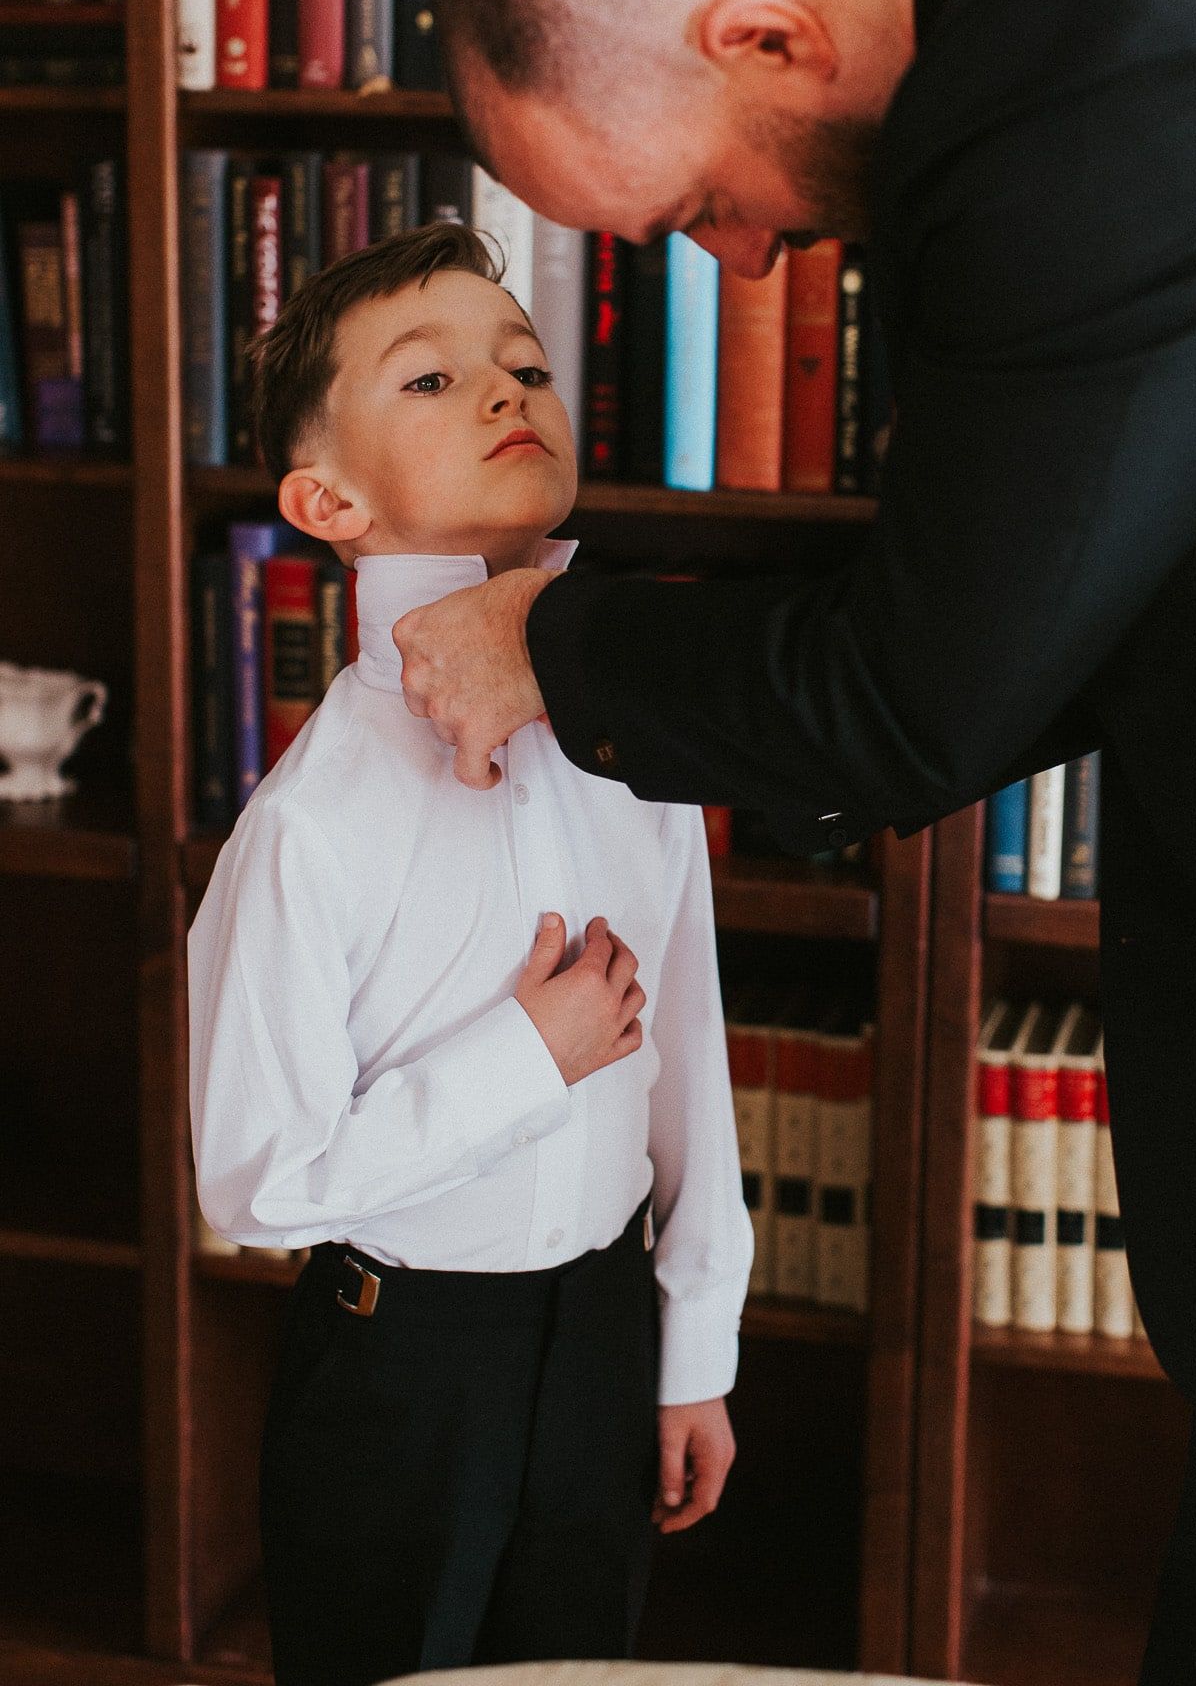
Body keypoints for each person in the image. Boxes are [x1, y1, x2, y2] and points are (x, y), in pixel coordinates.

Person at [393, 0, 1196, 1682]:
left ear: (761, 33)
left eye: (692, 208)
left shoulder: (1108, 75)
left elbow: (906, 701)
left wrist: (545, 652)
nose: (744, 262)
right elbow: (1072, 599)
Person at [187, 221, 751, 1686]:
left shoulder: (639, 741)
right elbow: (258, 1182)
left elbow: (687, 1054)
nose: (507, 393)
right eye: (430, 382)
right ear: (329, 498)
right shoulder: (311, 826)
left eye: (526, 365)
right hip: (400, 1369)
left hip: (604, 1336)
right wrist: (529, 1058)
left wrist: (692, 1347)